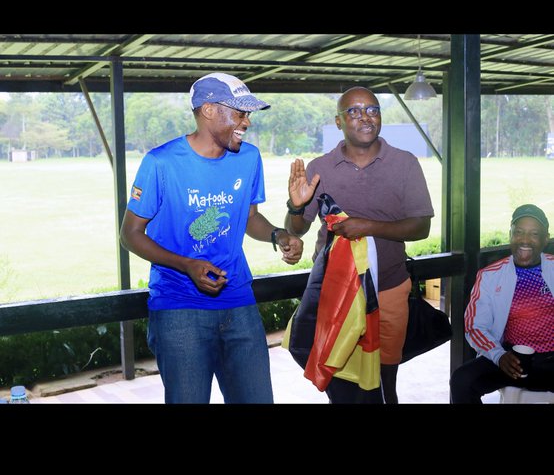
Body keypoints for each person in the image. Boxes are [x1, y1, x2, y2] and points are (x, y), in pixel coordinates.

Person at [120, 72, 304, 404]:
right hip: (178, 306)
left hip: (238, 300)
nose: (246, 122)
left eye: (248, 114)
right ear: (208, 110)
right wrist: (187, 265)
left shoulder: (248, 158)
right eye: (239, 112)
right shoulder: (160, 163)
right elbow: (131, 234)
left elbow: (249, 217)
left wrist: (278, 235)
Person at [284, 85, 435, 404]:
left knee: (384, 382)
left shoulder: (404, 163)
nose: (365, 117)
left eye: (372, 109)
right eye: (353, 111)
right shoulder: (320, 168)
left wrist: (368, 226)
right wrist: (296, 205)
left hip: (389, 290)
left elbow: (421, 226)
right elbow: (296, 228)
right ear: (338, 122)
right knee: (338, 380)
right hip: (336, 293)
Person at [450, 205, 554, 403]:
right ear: (510, 235)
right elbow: (475, 326)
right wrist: (499, 355)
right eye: (519, 232)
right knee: (462, 380)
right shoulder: (490, 276)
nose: (525, 240)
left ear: (545, 239)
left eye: (534, 234)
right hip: (513, 360)